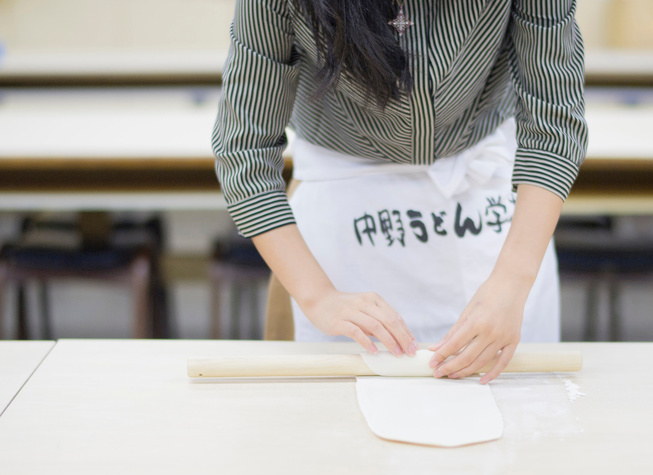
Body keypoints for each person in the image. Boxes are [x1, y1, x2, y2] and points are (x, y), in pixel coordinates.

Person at [212, 0, 588, 383]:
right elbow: (245, 152)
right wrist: (319, 296)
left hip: (489, 205)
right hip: (340, 197)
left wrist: (511, 284)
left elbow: (554, 125)